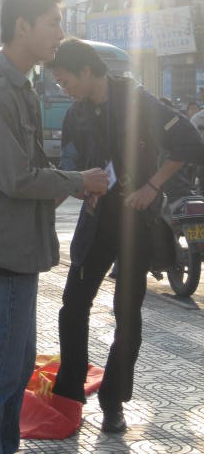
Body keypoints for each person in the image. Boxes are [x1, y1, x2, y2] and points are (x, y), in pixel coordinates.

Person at [0, 0, 109, 454]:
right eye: (53, 22)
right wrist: (79, 180)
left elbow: (30, 170)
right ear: (22, 26)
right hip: (5, 254)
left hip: (20, 252)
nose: (60, 34)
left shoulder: (21, 87)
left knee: (14, 372)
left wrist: (73, 184)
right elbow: (17, 178)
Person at [49, 38, 204, 433]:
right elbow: (69, 162)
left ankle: (113, 400)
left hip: (136, 220)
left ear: (87, 71)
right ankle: (68, 396)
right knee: (72, 305)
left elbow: (189, 141)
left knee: (127, 314)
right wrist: (79, 188)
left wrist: (152, 186)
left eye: (66, 81)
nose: (64, 89)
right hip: (95, 220)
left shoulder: (137, 101)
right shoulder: (76, 114)